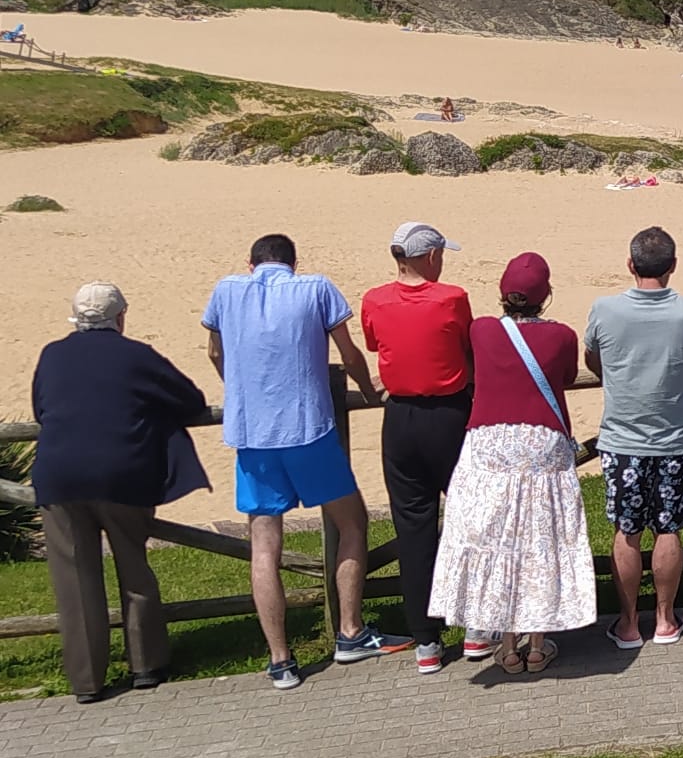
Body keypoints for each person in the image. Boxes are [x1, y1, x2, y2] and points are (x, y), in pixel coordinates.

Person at [203, 233, 409, 690]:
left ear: (250, 262)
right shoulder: (315, 288)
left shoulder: (226, 290)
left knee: (263, 544)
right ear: (294, 263)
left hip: (252, 436)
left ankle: (280, 659)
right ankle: (351, 631)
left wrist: (240, 389)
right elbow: (349, 351)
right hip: (307, 428)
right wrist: (371, 392)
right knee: (352, 521)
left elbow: (216, 352)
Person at [33, 282, 210, 702]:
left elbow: (41, 408)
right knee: (134, 568)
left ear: (75, 319)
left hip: (59, 476)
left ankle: (86, 680)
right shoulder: (136, 355)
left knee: (75, 583)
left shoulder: (52, 354)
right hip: (121, 474)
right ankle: (146, 664)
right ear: (121, 318)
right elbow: (190, 399)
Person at [430, 253, 595, 674]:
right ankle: (537, 644)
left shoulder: (482, 329)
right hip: (542, 440)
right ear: (546, 295)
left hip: (489, 439)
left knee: (498, 536)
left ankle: (505, 645)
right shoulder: (561, 336)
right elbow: (567, 377)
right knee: (541, 535)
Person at [583, 226, 683, 650]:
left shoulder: (605, 309)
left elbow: (593, 356)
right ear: (672, 266)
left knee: (627, 530)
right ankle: (665, 618)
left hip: (623, 440)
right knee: (668, 529)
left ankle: (627, 622)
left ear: (630, 264)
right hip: (676, 437)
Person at [361, 223, 474, 674]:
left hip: (400, 417)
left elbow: (376, 343)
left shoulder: (375, 299)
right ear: (430, 257)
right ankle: (475, 625)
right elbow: (464, 344)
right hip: (448, 415)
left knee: (414, 529)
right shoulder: (451, 297)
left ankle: (425, 640)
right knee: (467, 519)